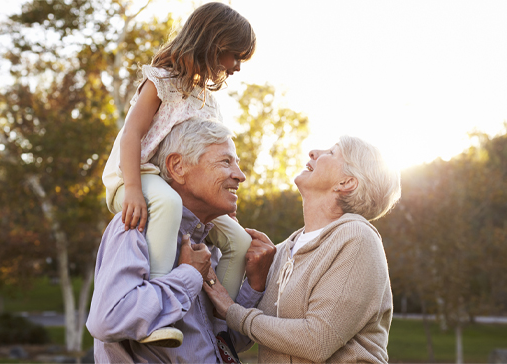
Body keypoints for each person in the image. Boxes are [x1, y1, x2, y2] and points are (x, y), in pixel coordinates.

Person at [101, 2, 256, 345]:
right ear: (216, 44)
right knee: (168, 205)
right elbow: (131, 135)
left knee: (238, 240)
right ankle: (157, 314)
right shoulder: (160, 82)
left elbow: (208, 153)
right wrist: (133, 188)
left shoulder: (207, 99)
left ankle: (218, 321)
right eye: (236, 56)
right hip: (137, 172)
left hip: (172, 179)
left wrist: (222, 200)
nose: (238, 68)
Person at [87, 119, 276, 363]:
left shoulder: (210, 245)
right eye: (226, 161)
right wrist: (188, 275)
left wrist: (255, 284)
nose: (240, 176)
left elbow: (226, 342)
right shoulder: (135, 226)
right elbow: (109, 320)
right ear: (177, 166)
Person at [204, 135, 402, 363]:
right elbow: (237, 338)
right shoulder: (282, 251)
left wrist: (231, 310)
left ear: (346, 183)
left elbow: (316, 341)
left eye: (331, 152)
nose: (313, 152)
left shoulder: (357, 238)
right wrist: (252, 279)